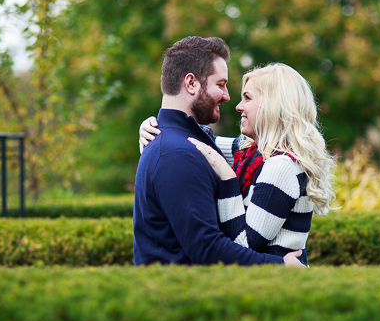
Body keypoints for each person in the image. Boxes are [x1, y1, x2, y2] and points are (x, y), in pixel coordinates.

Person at [139, 62, 336, 265]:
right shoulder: (253, 153)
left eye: (247, 98)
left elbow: (244, 246)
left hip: (278, 282)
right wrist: (157, 126)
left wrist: (228, 179)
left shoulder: (282, 167)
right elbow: (200, 141)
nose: (238, 106)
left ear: (274, 105)